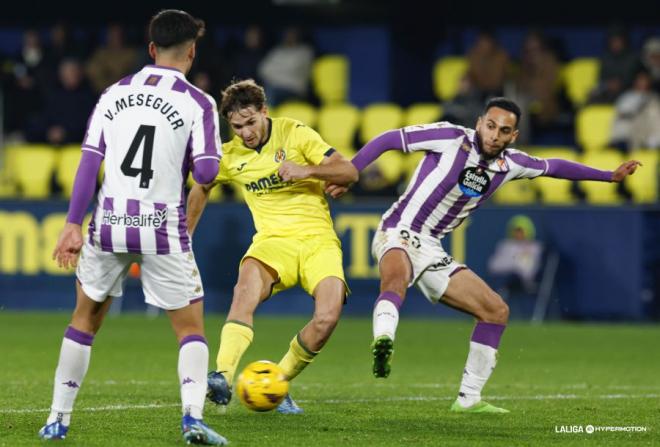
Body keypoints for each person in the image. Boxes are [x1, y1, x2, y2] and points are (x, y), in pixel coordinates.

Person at [325, 97, 641, 413]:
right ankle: (383, 341)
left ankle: (468, 399)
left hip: (432, 247)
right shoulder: (450, 137)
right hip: (398, 230)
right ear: (479, 122)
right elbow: (390, 139)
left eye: (504, 131)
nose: (494, 135)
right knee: (396, 280)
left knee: (496, 311)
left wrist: (608, 176)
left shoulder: (511, 164)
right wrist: (352, 171)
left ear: (513, 136)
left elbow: (554, 166)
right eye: (490, 126)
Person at [41, 10, 227, 445]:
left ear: (150, 49)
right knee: (190, 329)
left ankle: (57, 420)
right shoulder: (199, 102)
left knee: (83, 321)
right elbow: (206, 171)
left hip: (108, 223)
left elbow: (89, 160)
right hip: (161, 227)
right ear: (192, 52)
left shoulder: (113, 93)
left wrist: (72, 223)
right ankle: (193, 419)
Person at [187, 79, 357, 414]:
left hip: (317, 241)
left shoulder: (294, 132)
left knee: (327, 318)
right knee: (243, 292)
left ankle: (277, 381)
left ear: (265, 111)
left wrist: (306, 170)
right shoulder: (229, 155)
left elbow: (348, 172)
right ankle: (221, 375)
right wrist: (185, 234)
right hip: (271, 243)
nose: (246, 132)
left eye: (251, 122)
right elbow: (202, 185)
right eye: (237, 127)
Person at [487, 214, 543, 296]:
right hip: (501, 278)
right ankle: (496, 295)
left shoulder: (534, 248)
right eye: (516, 231)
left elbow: (526, 270)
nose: (518, 234)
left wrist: (510, 265)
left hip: (521, 282)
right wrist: (512, 265)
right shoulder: (505, 245)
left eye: (521, 231)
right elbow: (493, 266)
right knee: (494, 279)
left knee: (509, 277)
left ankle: (497, 296)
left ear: (528, 231)